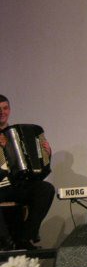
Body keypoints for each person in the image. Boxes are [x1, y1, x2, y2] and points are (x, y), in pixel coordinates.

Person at [0, 94, 55, 251]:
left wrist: (47, 155)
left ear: (9, 110)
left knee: (46, 189)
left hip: (16, 185)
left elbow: (38, 170)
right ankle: (5, 242)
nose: (2, 112)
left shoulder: (15, 133)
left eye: (5, 108)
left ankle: (25, 237)